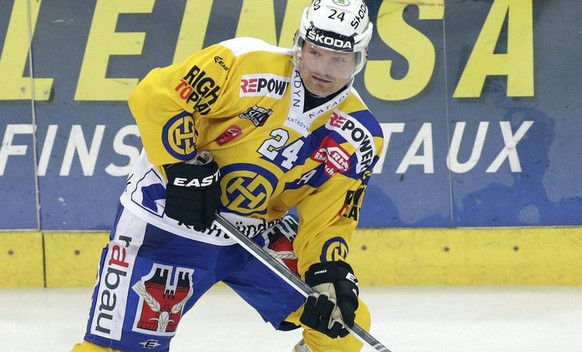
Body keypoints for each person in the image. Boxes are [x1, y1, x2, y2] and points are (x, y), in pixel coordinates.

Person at [71, 0, 383, 351]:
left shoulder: (359, 136)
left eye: (338, 59)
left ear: (361, 56)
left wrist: (328, 270)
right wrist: (181, 166)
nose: (323, 69)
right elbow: (157, 96)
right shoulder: (242, 63)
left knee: (338, 323)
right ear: (299, 43)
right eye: (315, 53)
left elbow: (329, 221)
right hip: (167, 220)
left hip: (253, 236)